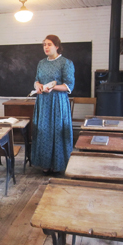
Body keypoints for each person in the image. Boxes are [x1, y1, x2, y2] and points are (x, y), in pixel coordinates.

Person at [31, 34, 75, 175]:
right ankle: (45, 164)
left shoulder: (65, 63)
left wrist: (52, 87)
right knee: (43, 132)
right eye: (44, 44)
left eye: (49, 44)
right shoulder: (41, 63)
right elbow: (37, 80)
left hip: (57, 103)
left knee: (57, 132)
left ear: (57, 46)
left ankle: (57, 165)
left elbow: (68, 86)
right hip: (43, 102)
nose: (46, 47)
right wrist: (37, 86)